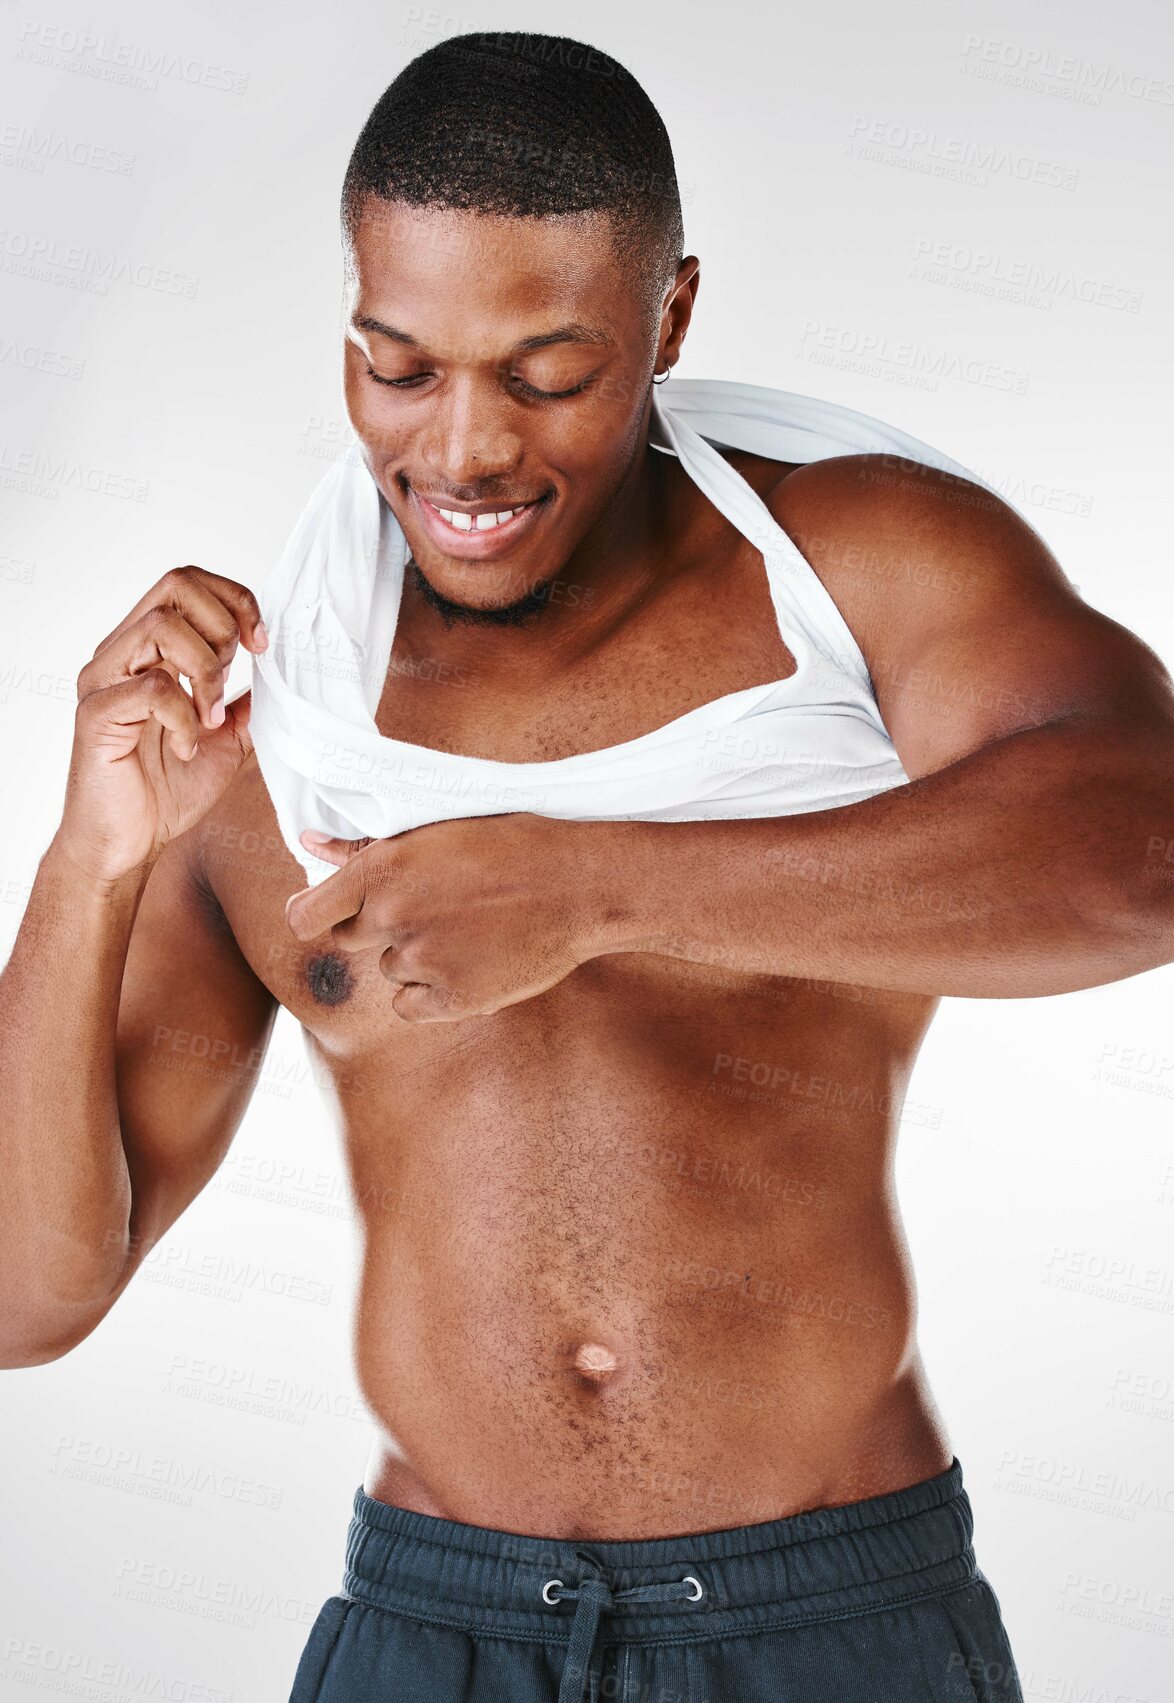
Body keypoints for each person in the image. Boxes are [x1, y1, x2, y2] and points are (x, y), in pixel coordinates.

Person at [3, 28, 1172, 1703]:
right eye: (397, 369)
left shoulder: (853, 579)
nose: (464, 451)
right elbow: (20, 1301)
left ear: (668, 319)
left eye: (544, 372)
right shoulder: (289, 716)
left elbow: (1141, 850)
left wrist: (601, 886)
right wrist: (86, 859)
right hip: (433, 1623)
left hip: (821, 1615)